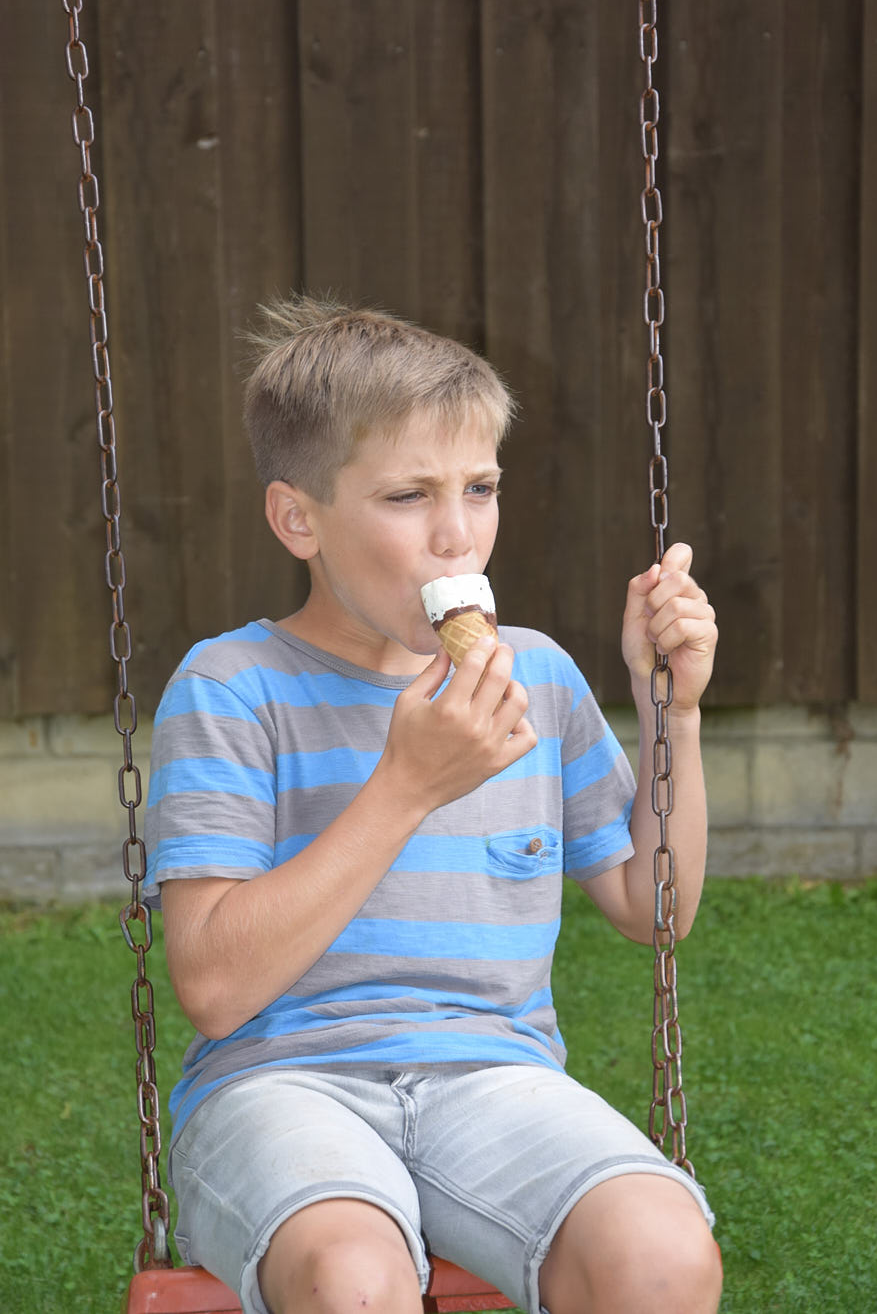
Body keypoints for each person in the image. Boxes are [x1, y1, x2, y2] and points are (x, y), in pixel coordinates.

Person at [145, 297, 722, 1314]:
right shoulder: (231, 687)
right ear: (298, 519)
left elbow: (654, 908)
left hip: (494, 1075)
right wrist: (405, 788)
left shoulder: (534, 678)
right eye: (408, 496)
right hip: (279, 1082)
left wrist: (670, 712)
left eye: (480, 488)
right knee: (351, 1277)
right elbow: (216, 989)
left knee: (662, 1256)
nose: (457, 536)